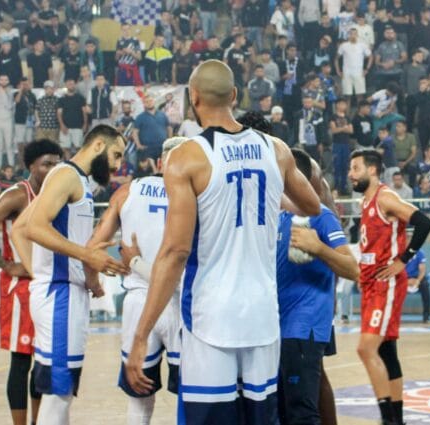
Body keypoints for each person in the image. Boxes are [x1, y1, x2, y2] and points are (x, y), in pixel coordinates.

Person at [124, 60, 320, 424]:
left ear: (193, 97)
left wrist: (140, 336)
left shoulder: (186, 157)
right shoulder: (276, 149)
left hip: (210, 318)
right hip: (262, 316)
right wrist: (264, 191)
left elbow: (176, 252)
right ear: (234, 95)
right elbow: (312, 205)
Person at [10, 125, 128, 425]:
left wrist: (82, 274)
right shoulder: (66, 175)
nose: (117, 165)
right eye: (116, 155)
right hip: (59, 297)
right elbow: (34, 227)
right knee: (58, 393)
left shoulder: (77, 180)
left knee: (61, 391)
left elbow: (20, 228)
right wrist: (83, 257)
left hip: (63, 293)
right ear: (98, 145)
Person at [84, 138, 184, 425]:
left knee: (138, 397)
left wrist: (94, 281)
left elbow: (93, 246)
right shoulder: (197, 193)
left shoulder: (127, 191)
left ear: (160, 162)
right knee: (191, 394)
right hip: (181, 300)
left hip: (139, 300)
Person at [0, 140, 63, 425]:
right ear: (31, 166)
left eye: (56, 164)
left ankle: (37, 421)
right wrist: (5, 264)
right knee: (21, 361)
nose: (52, 169)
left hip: (46, 284)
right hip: (20, 288)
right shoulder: (18, 195)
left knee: (43, 361)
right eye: (46, 164)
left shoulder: (57, 195)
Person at [347, 148, 430, 425]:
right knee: (386, 352)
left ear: (372, 170)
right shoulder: (365, 201)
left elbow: (424, 222)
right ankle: (397, 418)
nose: (350, 174)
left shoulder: (385, 197)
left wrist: (403, 260)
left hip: (386, 284)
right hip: (371, 282)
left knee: (365, 349)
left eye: (355, 168)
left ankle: (388, 419)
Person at [275, 148, 359, 424]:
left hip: (303, 327)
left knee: (302, 411)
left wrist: (318, 248)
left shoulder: (321, 215)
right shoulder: (276, 215)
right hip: (274, 329)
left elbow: (353, 269)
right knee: (282, 411)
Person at [0, 75, 15, 169]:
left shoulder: (10, 92)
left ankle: (11, 168)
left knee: (9, 146)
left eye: (5, 80)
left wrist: (4, 93)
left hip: (8, 121)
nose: (3, 81)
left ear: (8, 81)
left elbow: (9, 106)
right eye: (1, 80)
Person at [405, 249, 429, 323]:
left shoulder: (420, 253)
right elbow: (398, 270)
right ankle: (393, 316)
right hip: (404, 277)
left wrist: (417, 281)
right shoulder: (400, 251)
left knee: (425, 285)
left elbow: (422, 271)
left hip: (417, 277)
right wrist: (406, 281)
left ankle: (426, 317)